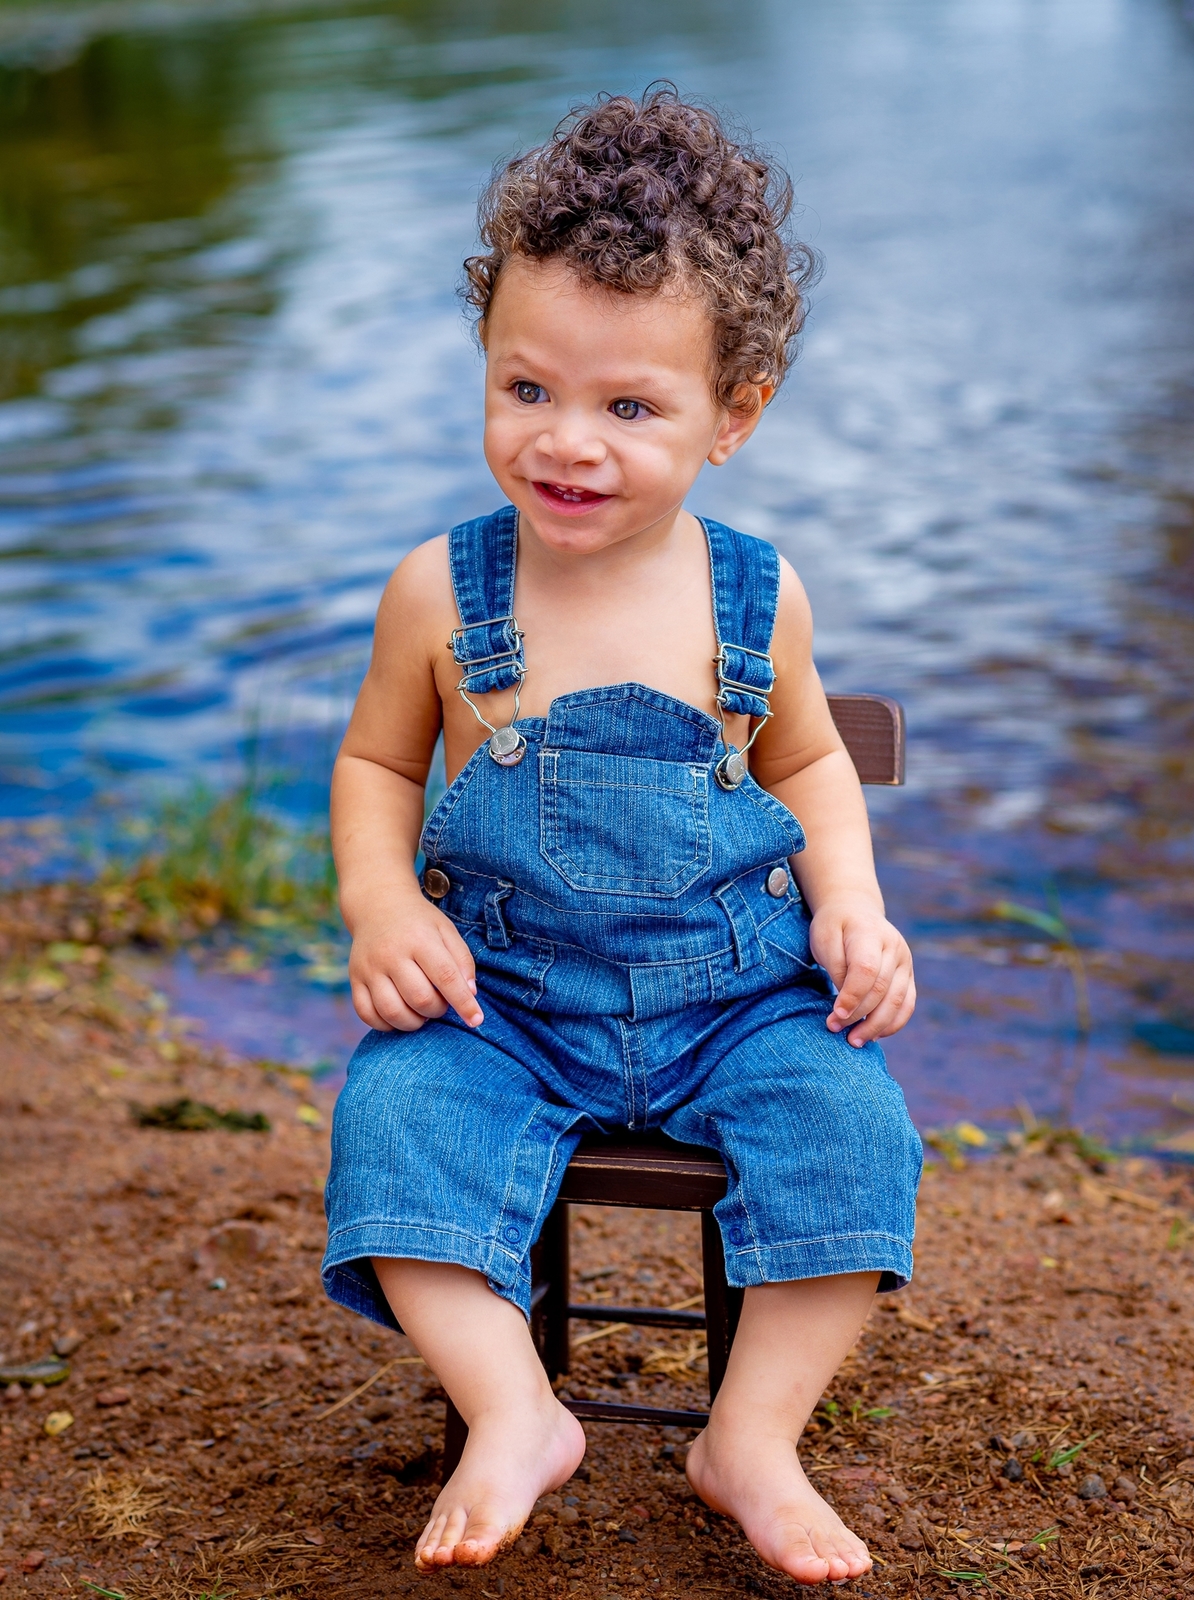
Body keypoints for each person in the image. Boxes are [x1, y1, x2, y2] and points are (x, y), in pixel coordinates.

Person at [323, 86, 921, 1588]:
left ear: (736, 417)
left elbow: (811, 763)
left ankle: (752, 1437)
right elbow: (378, 761)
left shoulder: (755, 596)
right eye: (527, 388)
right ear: (484, 361)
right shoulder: (442, 590)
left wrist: (852, 903)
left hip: (736, 999)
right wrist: (383, 903)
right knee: (392, 1121)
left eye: (630, 409)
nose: (566, 442)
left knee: (855, 1132)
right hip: (506, 1004)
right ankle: (514, 1407)